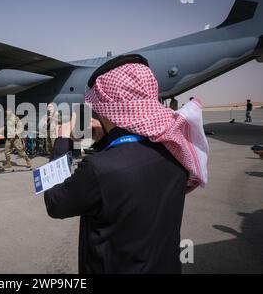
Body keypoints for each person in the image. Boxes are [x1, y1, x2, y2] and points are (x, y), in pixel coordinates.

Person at [44, 62, 209, 273]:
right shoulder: (177, 151)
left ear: (105, 105)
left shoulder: (98, 169)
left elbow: (55, 203)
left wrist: (62, 141)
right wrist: (107, 138)